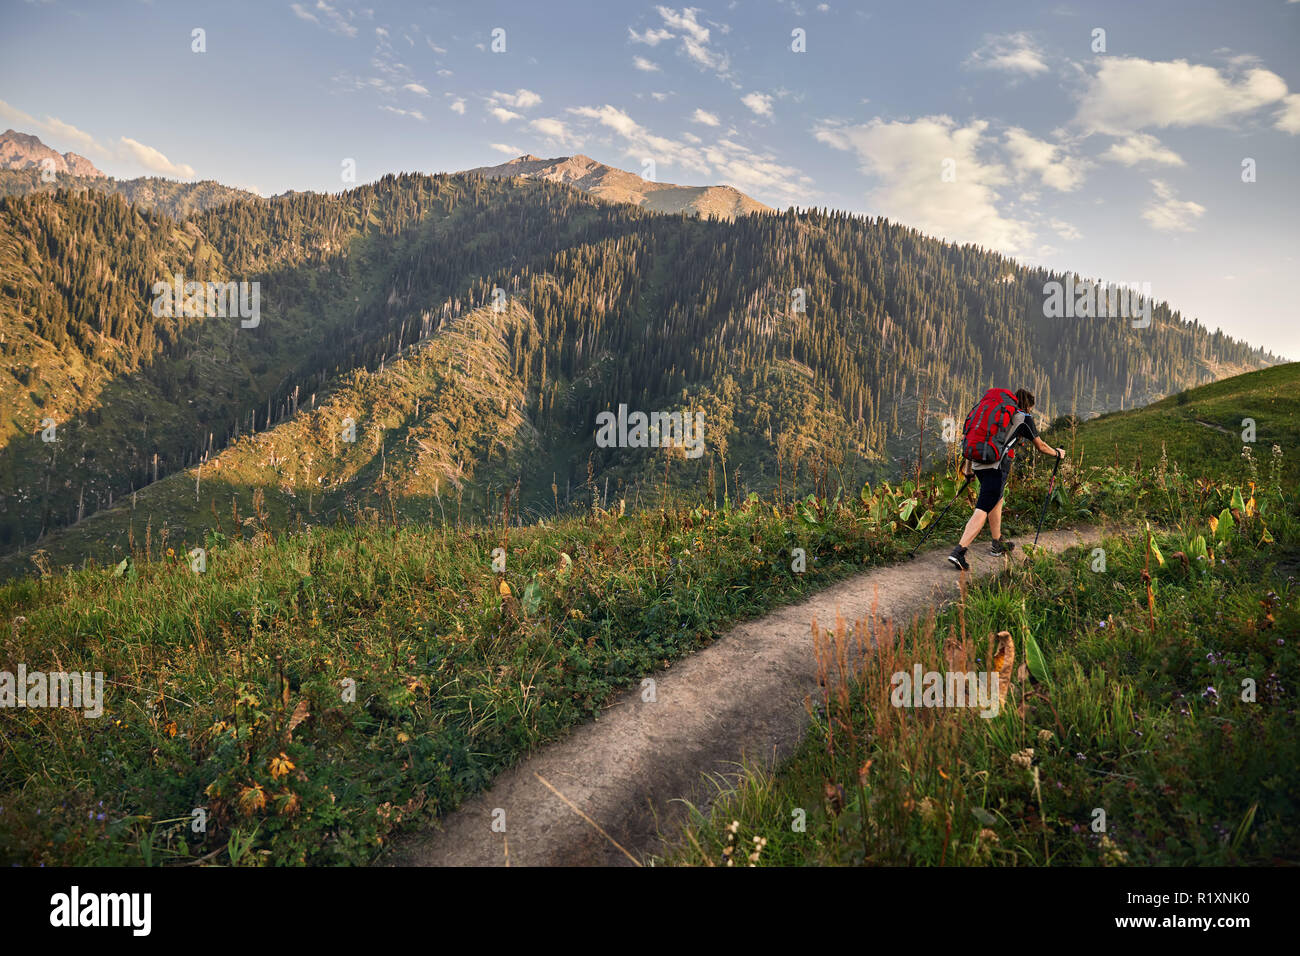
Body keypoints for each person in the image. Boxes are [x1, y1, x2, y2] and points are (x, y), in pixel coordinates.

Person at [948, 388, 1064, 571]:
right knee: (983, 508)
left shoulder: (992, 414)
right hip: (996, 467)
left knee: (997, 499)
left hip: (978, 464)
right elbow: (1040, 446)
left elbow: (973, 439)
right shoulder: (1022, 418)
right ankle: (959, 552)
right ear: (1027, 405)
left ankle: (997, 543)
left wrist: (969, 471)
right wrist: (1057, 453)